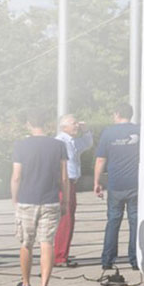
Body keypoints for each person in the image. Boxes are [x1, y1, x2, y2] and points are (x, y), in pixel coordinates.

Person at [11, 109, 69, 286]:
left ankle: (26, 285)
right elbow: (63, 178)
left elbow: (17, 176)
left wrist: (15, 199)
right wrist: (66, 201)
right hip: (51, 200)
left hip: (27, 200)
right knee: (47, 243)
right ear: (47, 124)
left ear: (28, 124)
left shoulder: (20, 145)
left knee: (26, 243)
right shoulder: (58, 145)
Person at [95, 103, 140, 271]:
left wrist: (97, 182)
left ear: (117, 114)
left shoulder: (108, 132)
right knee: (135, 222)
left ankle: (108, 260)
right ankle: (135, 260)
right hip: (135, 184)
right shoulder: (140, 131)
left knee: (113, 221)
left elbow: (100, 159)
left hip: (115, 185)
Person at [53, 114, 93, 267]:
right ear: (64, 127)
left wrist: (86, 130)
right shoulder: (60, 141)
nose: (76, 125)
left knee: (70, 219)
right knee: (65, 219)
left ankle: (63, 253)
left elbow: (87, 143)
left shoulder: (72, 141)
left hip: (71, 183)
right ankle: (59, 256)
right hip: (64, 183)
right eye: (73, 123)